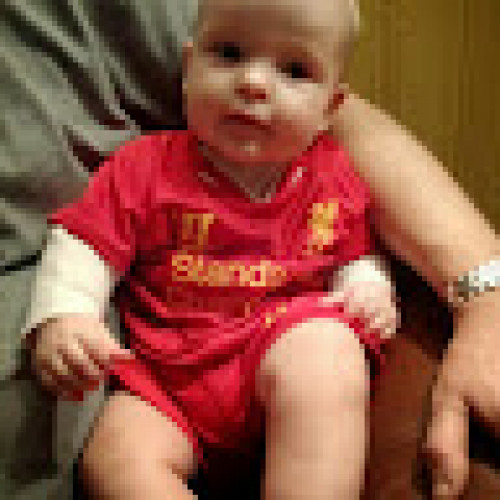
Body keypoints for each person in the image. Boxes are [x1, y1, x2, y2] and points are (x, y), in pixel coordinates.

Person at [0, 0, 498, 499]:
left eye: (294, 70)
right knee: (113, 456)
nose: (253, 83)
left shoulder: (331, 174)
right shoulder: (143, 167)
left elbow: (355, 252)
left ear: (330, 108)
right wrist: (67, 313)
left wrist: (368, 286)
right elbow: (84, 241)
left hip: (281, 352)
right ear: (188, 68)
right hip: (166, 378)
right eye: (229, 54)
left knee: (326, 353)